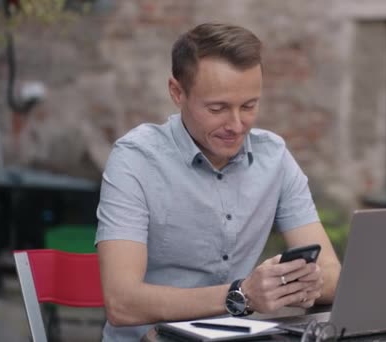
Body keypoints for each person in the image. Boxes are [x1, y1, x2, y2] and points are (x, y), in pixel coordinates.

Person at [95, 23, 341, 341]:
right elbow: (122, 304)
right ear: (177, 92)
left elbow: (333, 276)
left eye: (249, 106)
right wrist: (242, 295)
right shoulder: (136, 160)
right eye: (218, 108)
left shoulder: (274, 157)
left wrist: (296, 285)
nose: (237, 125)